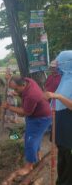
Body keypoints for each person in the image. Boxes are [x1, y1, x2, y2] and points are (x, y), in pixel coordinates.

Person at [2, 76, 52, 185]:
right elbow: (21, 92)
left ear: (23, 85)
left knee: (30, 140)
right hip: (39, 115)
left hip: (39, 118)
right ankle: (37, 155)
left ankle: (29, 166)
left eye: (16, 89)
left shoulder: (31, 95)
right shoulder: (28, 80)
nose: (14, 91)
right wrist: (16, 90)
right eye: (13, 89)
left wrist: (8, 107)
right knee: (36, 137)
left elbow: (24, 112)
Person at [44, 50, 72, 185]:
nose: (58, 66)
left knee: (69, 162)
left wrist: (58, 96)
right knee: (63, 159)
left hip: (69, 128)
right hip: (61, 126)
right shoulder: (65, 78)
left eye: (61, 63)